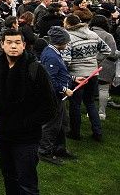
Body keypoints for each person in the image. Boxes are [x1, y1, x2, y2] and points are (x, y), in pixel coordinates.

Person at [0, 29, 56, 195]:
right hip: (3, 133)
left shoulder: (35, 69)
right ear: (2, 45)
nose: (13, 46)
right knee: (9, 176)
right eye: (9, 42)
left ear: (24, 45)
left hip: (26, 137)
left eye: (17, 43)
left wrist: (26, 123)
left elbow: (49, 107)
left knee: (26, 181)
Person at [62, 14, 110, 141]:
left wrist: (68, 71)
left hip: (77, 75)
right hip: (93, 74)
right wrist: (96, 61)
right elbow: (107, 50)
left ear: (68, 24)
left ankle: (75, 132)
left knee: (75, 104)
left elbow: (66, 60)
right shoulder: (93, 34)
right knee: (90, 103)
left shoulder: (69, 38)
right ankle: (97, 132)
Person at [38, 27, 76, 166]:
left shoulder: (53, 52)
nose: (67, 44)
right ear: (61, 41)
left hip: (58, 96)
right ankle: (45, 151)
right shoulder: (51, 56)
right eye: (66, 41)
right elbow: (49, 79)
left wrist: (73, 78)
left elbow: (60, 72)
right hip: (53, 96)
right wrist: (64, 89)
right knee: (52, 125)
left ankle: (59, 148)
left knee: (61, 124)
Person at [89, 15, 120, 120]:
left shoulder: (88, 33)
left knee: (90, 90)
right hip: (105, 65)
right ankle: (101, 113)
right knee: (103, 89)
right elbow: (112, 53)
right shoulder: (108, 36)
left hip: (89, 63)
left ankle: (91, 111)